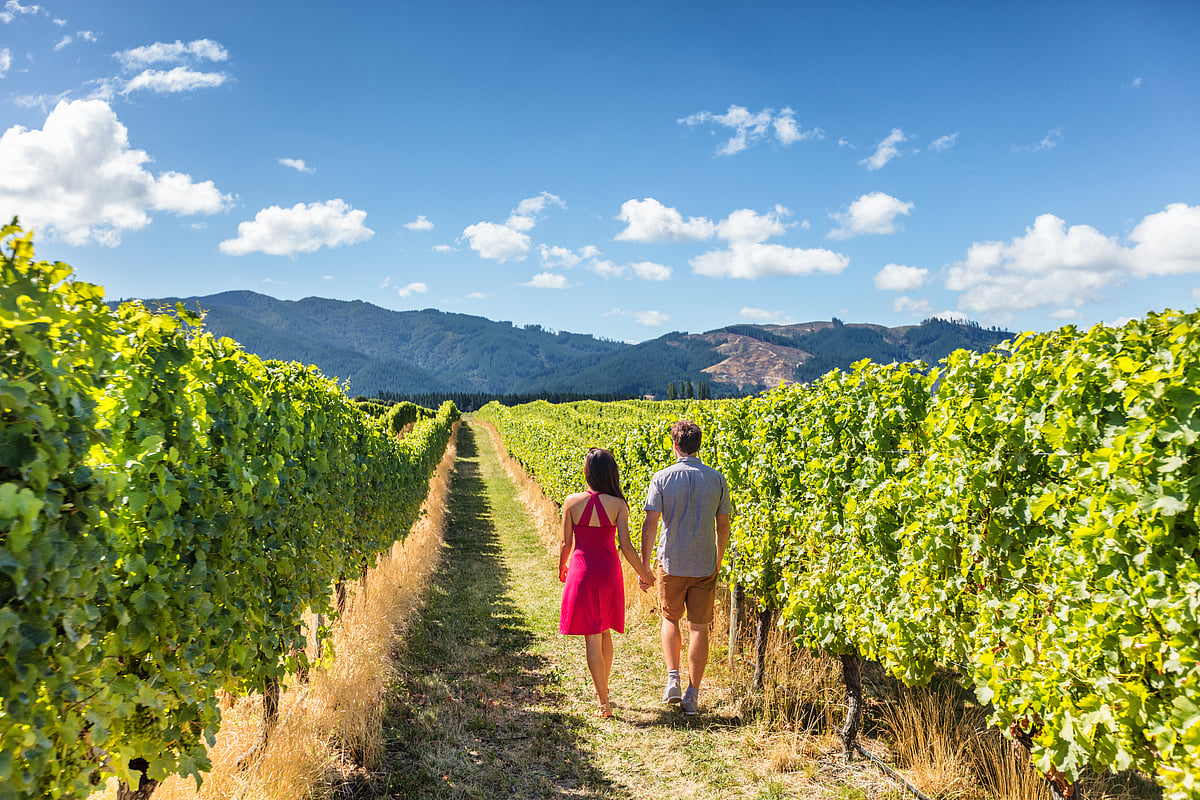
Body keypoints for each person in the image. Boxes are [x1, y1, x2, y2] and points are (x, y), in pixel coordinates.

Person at [640, 420, 732, 716]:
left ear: (674, 445)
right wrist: (717, 560)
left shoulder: (662, 478)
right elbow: (723, 527)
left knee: (670, 618)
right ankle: (692, 695)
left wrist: (644, 566)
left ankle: (673, 680)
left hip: (671, 561)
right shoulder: (717, 479)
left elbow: (650, 525)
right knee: (699, 627)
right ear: (699, 445)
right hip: (704, 562)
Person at [559, 447, 656, 718]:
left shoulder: (571, 502)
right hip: (608, 573)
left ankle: (603, 701)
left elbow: (566, 543)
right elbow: (626, 546)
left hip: (582, 571)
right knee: (604, 632)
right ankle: (603, 687)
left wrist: (562, 567)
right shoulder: (618, 505)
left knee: (592, 636)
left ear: (587, 472)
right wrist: (645, 574)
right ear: (611, 473)